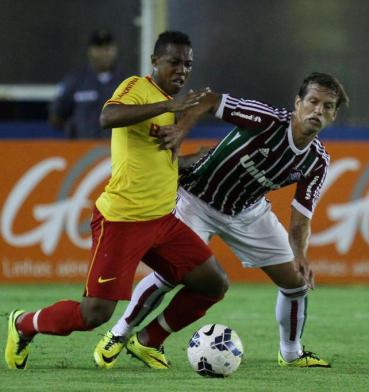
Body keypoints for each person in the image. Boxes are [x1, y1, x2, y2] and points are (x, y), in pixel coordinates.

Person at [5, 30, 229, 370]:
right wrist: (170, 105)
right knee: (93, 314)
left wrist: (195, 159)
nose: (182, 70)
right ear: (155, 62)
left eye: (188, 64)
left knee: (213, 284)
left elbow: (157, 162)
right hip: (122, 221)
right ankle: (23, 323)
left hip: (163, 222)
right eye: (174, 62)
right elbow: (107, 117)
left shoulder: (170, 105)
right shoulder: (137, 88)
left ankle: (149, 340)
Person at [93, 72, 349, 368]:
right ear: (297, 103)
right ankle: (118, 333)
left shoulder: (317, 161)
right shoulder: (266, 120)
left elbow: (301, 217)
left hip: (248, 212)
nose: (318, 110)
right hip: (197, 200)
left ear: (333, 115)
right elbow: (209, 99)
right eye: (313, 102)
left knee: (295, 283)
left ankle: (291, 353)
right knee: (171, 274)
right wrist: (181, 131)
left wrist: (301, 254)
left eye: (327, 106)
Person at [48, 29, 127, 138]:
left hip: (117, 149)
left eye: (108, 47)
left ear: (115, 50)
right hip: (82, 149)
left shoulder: (127, 80)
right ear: (90, 51)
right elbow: (56, 116)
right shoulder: (75, 79)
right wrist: (73, 131)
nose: (104, 52)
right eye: (99, 48)